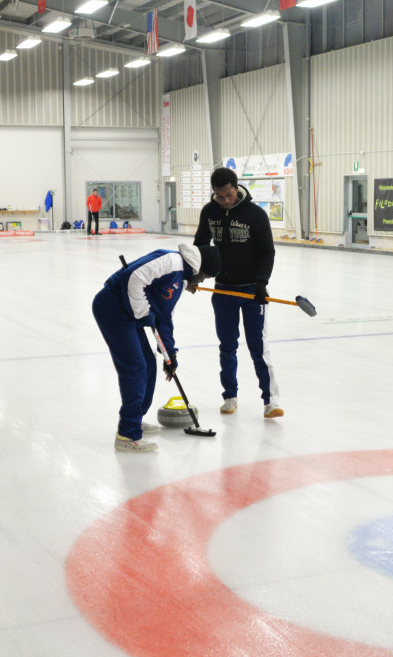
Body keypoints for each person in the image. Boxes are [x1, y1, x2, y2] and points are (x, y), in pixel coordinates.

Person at [92, 243, 221, 452]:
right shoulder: (172, 261)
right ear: (200, 269)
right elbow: (133, 278)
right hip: (112, 308)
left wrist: (169, 354)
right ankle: (127, 434)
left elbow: (163, 317)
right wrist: (143, 311)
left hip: (127, 314)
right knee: (135, 367)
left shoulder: (180, 280)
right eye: (205, 278)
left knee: (149, 364)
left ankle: (135, 419)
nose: (201, 284)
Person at [193, 166, 283, 418]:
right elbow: (200, 245)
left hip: (251, 290)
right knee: (227, 346)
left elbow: (268, 251)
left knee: (258, 347)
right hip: (223, 290)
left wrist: (261, 283)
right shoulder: (210, 211)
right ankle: (230, 396)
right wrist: (196, 274)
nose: (225, 201)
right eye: (220, 196)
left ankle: (270, 400)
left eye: (229, 195)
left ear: (236, 188)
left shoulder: (255, 215)